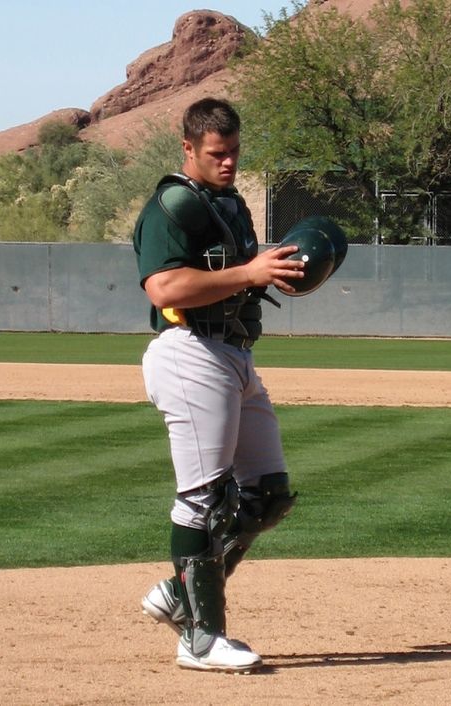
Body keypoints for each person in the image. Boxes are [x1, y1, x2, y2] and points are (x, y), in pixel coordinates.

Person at [133, 97, 304, 673]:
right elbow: (164, 288)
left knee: (268, 494)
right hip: (191, 355)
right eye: (216, 153)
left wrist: (277, 269)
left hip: (234, 353)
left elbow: (242, 275)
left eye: (234, 152)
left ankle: (181, 594)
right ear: (189, 148)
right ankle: (201, 638)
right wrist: (249, 273)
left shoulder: (228, 203)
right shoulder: (172, 203)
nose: (229, 162)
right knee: (204, 501)